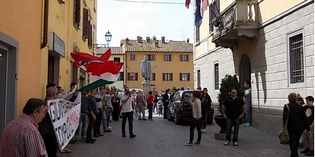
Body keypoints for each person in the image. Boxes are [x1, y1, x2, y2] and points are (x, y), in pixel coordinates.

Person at [283, 93, 306, 157]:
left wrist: (284, 127)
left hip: (291, 128)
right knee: (295, 141)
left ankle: (294, 155)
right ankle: (294, 154)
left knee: (292, 142)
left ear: (289, 99)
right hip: (299, 128)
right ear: (295, 98)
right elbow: (304, 118)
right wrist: (305, 128)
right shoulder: (300, 107)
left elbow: (285, 118)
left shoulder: (287, 106)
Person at [38, 83, 59, 157]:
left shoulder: (53, 102)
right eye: (55, 88)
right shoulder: (46, 103)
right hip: (47, 132)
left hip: (51, 131)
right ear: (52, 90)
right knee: (49, 151)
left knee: (52, 151)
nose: (57, 90)